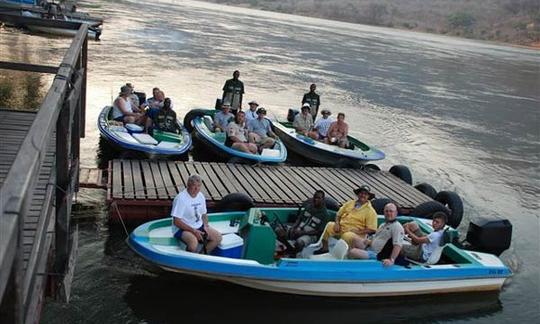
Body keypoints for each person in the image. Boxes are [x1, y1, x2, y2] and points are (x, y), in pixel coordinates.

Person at [171, 174, 222, 253]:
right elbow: (176, 221)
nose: (196, 189)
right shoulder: (181, 199)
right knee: (193, 243)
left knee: (218, 237)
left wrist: (205, 226)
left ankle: (201, 255)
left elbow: (204, 214)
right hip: (182, 228)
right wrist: (194, 231)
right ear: (188, 185)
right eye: (194, 186)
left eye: (199, 186)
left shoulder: (201, 196)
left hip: (199, 225)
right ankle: (186, 261)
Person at [318, 185, 377, 252]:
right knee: (329, 225)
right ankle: (325, 248)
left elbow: (372, 229)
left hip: (356, 234)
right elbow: (338, 214)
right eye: (361, 193)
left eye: (365, 194)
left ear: (368, 196)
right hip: (341, 227)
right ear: (358, 194)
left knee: (347, 236)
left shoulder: (370, 211)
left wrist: (358, 231)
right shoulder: (349, 203)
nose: (362, 195)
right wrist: (337, 223)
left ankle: (341, 254)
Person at [349, 202, 405, 267]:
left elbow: (397, 245)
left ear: (396, 213)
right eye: (386, 211)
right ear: (384, 212)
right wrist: (369, 242)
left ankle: (353, 266)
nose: (388, 213)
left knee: (352, 252)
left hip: (378, 255)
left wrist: (391, 260)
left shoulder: (397, 227)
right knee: (354, 239)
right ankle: (355, 261)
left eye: (391, 211)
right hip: (371, 248)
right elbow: (378, 238)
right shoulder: (383, 225)